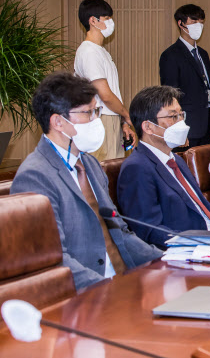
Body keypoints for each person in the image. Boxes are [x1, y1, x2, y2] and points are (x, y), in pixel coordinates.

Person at [10, 72, 162, 291]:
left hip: (125, 280)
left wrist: (166, 261)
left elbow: (121, 232)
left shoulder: (89, 163)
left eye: (96, 111)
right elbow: (53, 258)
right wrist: (108, 288)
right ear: (58, 121)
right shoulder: (35, 177)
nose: (95, 120)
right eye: (88, 113)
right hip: (85, 294)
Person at [117, 86, 210, 249]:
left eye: (181, 115)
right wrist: (205, 244)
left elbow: (209, 215)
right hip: (190, 252)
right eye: (173, 117)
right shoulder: (137, 168)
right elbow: (150, 232)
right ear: (148, 127)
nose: (181, 123)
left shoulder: (176, 160)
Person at [74, 0, 136, 161]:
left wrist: (123, 121)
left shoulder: (100, 51)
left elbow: (113, 92)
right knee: (106, 173)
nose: (111, 22)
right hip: (101, 119)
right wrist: (127, 115)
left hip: (111, 118)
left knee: (115, 169)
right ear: (93, 21)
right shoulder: (89, 51)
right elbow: (105, 95)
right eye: (107, 18)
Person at [159, 4, 210, 149]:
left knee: (203, 168)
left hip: (206, 125)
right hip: (187, 127)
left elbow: (209, 91)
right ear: (181, 24)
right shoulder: (170, 56)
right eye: (193, 22)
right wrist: (178, 129)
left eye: (201, 22)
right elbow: (170, 96)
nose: (198, 26)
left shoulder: (203, 54)